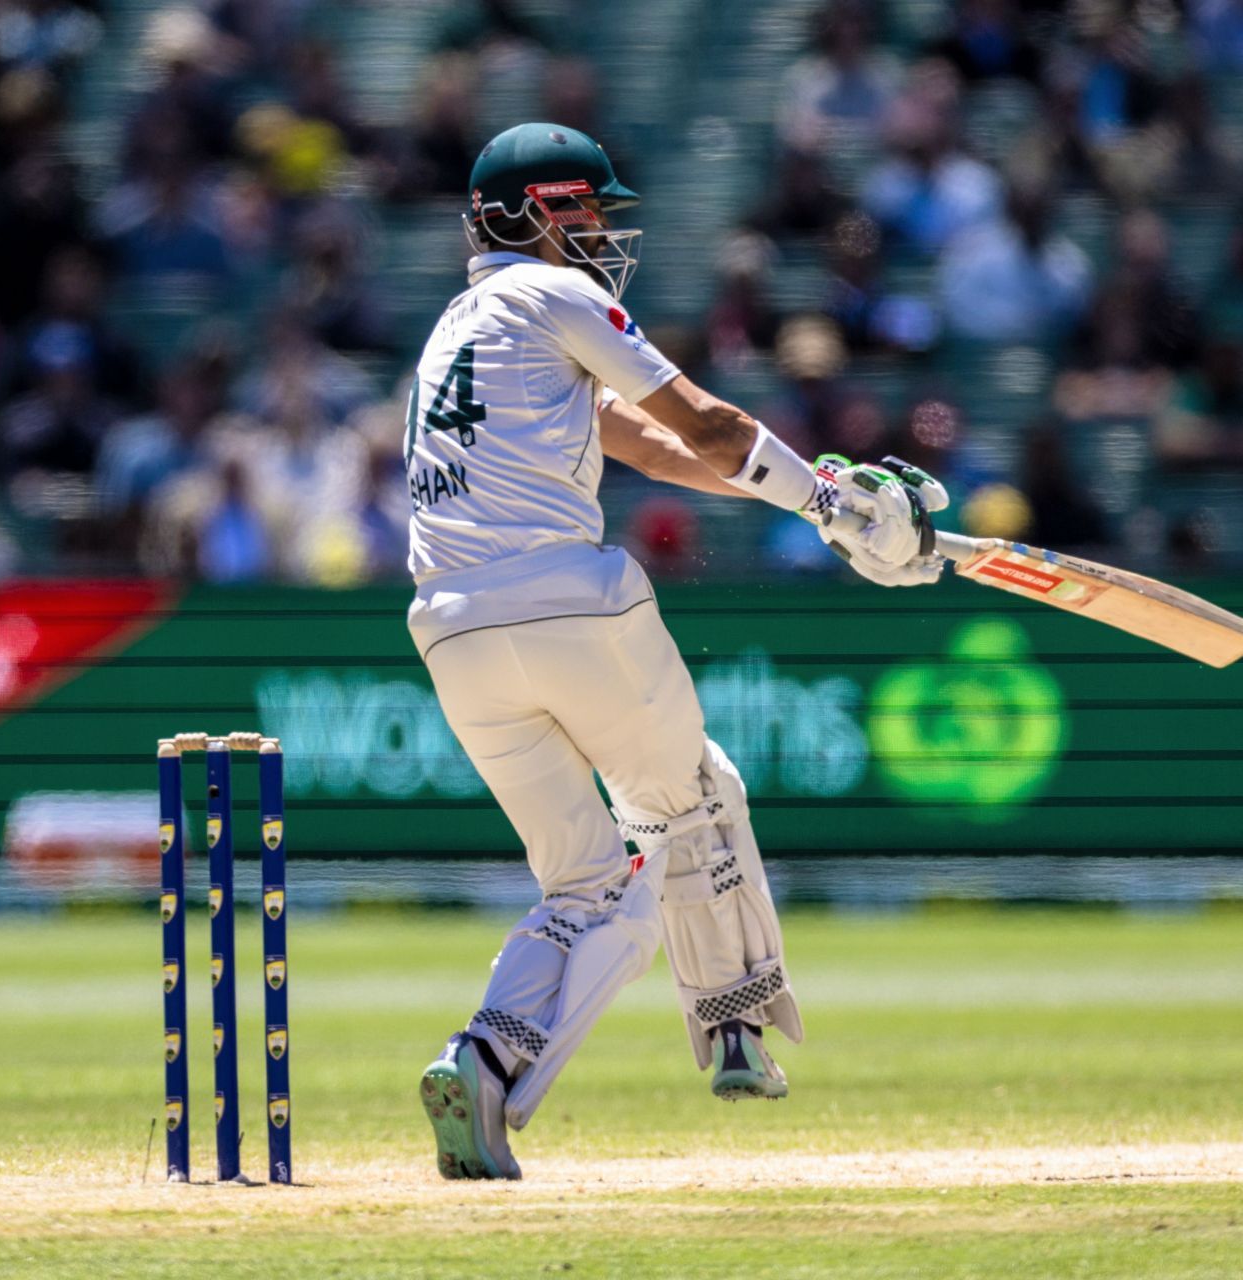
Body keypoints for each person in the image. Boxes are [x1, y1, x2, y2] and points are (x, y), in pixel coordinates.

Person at [404, 122, 947, 1181]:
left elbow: (648, 443)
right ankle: (738, 1025)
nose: (602, 232)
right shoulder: (555, 298)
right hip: (567, 599)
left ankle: (483, 1060)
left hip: (451, 631)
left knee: (591, 886)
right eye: (586, 212)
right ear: (527, 213)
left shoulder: (451, 338)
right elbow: (699, 421)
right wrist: (834, 502)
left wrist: (815, 498)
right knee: (692, 791)